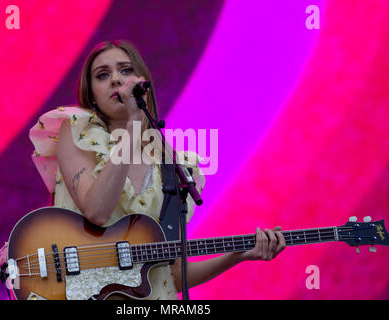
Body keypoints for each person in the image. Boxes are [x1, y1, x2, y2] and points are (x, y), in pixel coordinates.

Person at [27, 40, 286, 300]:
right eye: (103, 75)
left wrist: (235, 257)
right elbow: (96, 210)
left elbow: (169, 275)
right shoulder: (76, 131)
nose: (116, 80)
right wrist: (134, 125)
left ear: (143, 85)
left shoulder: (173, 166)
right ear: (91, 94)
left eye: (126, 71)